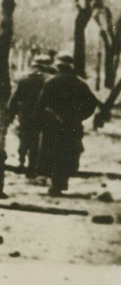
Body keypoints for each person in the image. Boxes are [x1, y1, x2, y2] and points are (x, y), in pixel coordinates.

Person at [34, 52, 99, 196]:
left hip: (52, 126)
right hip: (72, 125)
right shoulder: (80, 83)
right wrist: (79, 116)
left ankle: (55, 184)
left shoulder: (51, 82)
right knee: (68, 153)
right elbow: (92, 103)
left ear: (59, 67)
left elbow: (40, 105)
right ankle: (62, 181)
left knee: (52, 153)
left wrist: (42, 121)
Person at [8, 55, 51, 176]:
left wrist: (11, 115)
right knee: (36, 139)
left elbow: (14, 99)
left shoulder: (24, 80)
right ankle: (32, 165)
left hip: (24, 115)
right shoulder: (46, 81)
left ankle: (21, 161)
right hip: (40, 115)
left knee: (23, 137)